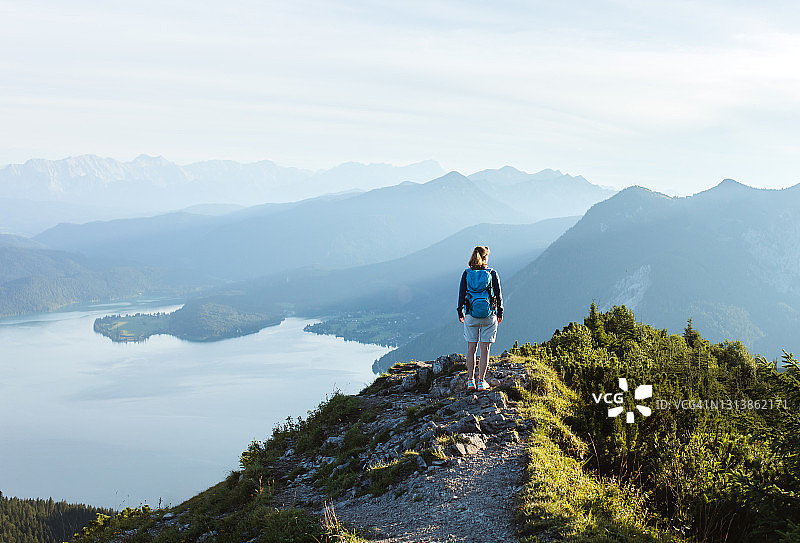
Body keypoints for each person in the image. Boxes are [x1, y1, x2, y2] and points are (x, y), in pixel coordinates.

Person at [457, 245, 503, 391]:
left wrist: (460, 312)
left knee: (471, 348)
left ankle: (471, 381)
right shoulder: (492, 273)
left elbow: (461, 294)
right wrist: (500, 312)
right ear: (485, 258)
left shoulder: (466, 273)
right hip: (489, 315)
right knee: (485, 349)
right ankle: (482, 381)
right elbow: (498, 295)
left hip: (471, 314)